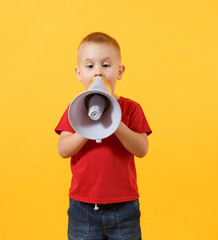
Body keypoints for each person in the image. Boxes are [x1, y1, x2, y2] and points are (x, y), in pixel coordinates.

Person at [55, 32, 152, 240]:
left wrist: (115, 123)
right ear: (79, 73)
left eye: (106, 65)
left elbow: (142, 149)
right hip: (83, 208)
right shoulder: (75, 109)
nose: (98, 73)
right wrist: (86, 127)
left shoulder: (131, 109)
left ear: (120, 71)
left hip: (124, 207)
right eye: (90, 66)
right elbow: (63, 149)